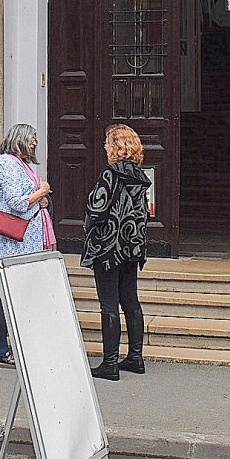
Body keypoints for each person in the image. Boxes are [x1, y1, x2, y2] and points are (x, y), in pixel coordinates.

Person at [83, 123, 151, 381]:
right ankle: (135, 357)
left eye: (107, 142)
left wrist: (89, 225)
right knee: (130, 300)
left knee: (109, 303)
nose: (104, 147)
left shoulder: (110, 174)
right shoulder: (139, 176)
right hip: (132, 246)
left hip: (108, 247)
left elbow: (96, 209)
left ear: (115, 146)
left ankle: (110, 363)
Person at [0, 123, 52, 366]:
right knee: (6, 290)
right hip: (13, 239)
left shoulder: (21, 164)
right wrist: (41, 192)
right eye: (31, 138)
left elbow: (26, 200)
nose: (35, 142)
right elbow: (16, 202)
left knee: (23, 289)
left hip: (27, 238)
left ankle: (21, 343)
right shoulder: (6, 164)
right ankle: (3, 348)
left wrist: (41, 200)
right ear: (19, 139)